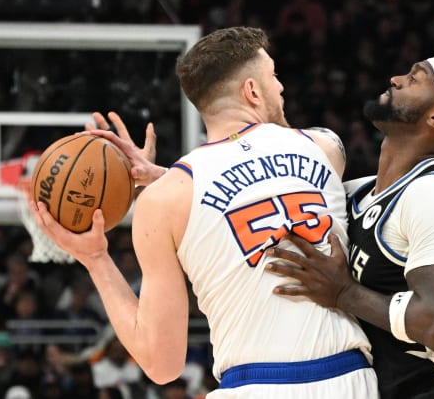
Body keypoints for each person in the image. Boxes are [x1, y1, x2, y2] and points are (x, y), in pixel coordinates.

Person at [29, 26, 378, 398]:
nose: (281, 87)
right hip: (349, 379)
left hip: (255, 385)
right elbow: (267, 180)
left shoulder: (167, 200)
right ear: (252, 91)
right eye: (273, 76)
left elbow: (162, 365)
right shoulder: (325, 147)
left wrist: (96, 257)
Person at [264, 56, 434, 398]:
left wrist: (344, 293)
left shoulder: (432, 195)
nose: (395, 78)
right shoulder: (357, 192)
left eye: (415, 79)